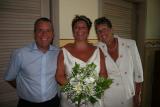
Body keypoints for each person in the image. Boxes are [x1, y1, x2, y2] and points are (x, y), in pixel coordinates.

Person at [4, 17, 60, 107]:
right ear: (34, 33)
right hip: (27, 104)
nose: (44, 34)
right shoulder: (20, 54)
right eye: (40, 30)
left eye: (48, 30)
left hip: (52, 102)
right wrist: (25, 89)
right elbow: (10, 78)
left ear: (53, 34)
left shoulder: (58, 53)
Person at [56, 15, 108, 107]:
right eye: (76, 27)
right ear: (73, 31)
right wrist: (77, 88)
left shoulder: (98, 51)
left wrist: (94, 89)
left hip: (94, 99)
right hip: (71, 99)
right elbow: (59, 76)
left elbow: (103, 73)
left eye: (83, 27)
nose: (79, 29)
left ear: (88, 30)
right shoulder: (64, 51)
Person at [94, 17, 144, 107]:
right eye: (99, 31)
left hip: (128, 96)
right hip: (108, 97)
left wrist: (137, 95)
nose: (102, 34)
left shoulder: (130, 44)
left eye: (104, 29)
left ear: (111, 29)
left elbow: (138, 72)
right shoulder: (96, 48)